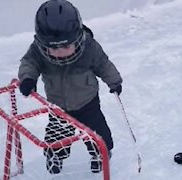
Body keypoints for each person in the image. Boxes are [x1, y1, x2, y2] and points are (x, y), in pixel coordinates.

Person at [18, 0, 122, 174]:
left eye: (66, 46)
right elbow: (29, 63)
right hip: (58, 106)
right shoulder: (38, 50)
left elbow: (103, 64)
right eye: (54, 48)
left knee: (97, 132)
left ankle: (100, 154)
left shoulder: (89, 47)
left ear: (76, 37)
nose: (60, 52)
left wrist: (114, 81)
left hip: (87, 102)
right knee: (57, 135)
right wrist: (28, 78)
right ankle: (55, 156)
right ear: (43, 43)